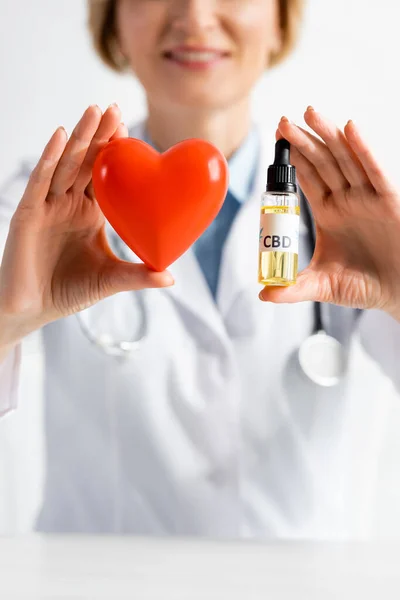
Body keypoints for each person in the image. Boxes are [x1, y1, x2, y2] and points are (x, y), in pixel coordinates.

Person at [0, 0, 399, 539]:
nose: (194, 15)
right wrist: (7, 319)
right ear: (112, 21)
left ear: (281, 19)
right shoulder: (35, 209)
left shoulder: (354, 213)